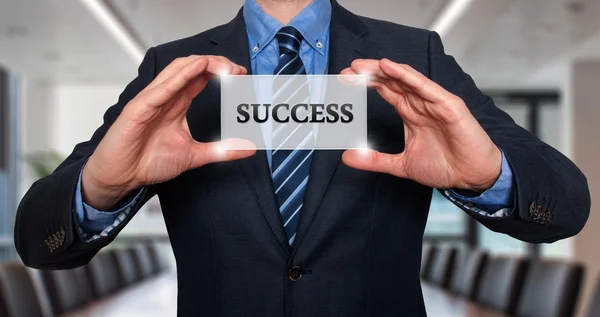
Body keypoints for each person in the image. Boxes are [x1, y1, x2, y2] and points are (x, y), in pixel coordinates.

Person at [14, 0, 590, 316]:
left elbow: (563, 206)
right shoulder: (173, 65)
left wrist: (488, 175)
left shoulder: (413, 56)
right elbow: (39, 239)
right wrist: (98, 190)